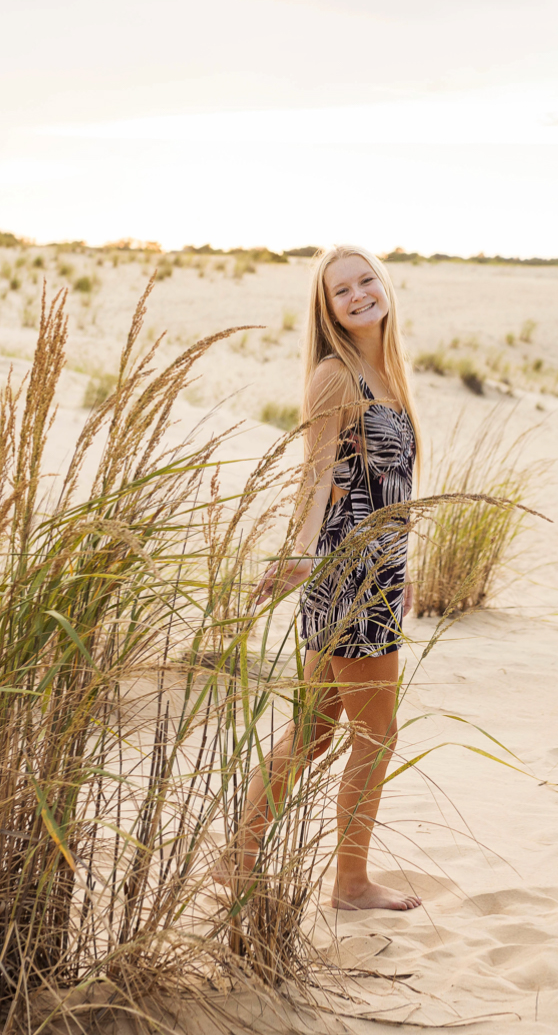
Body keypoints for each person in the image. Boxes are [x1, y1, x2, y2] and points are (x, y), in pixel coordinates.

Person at [234, 245, 424, 912]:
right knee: (378, 736)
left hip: (377, 575)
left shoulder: (385, 371)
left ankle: (238, 857)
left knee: (316, 731)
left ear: (384, 285)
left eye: (366, 280)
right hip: (350, 576)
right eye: (342, 290)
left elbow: (387, 488)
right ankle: (349, 884)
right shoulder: (335, 375)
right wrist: (299, 552)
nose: (359, 294)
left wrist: (407, 568)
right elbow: (316, 474)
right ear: (328, 309)